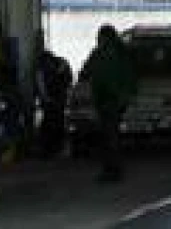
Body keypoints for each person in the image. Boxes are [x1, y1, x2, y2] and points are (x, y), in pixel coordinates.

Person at [80, 25, 136, 182]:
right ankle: (112, 168)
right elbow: (130, 76)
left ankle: (112, 169)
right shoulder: (120, 53)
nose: (98, 39)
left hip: (109, 99)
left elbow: (87, 71)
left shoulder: (104, 54)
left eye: (100, 37)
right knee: (110, 135)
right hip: (111, 99)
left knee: (109, 136)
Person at [35, 44, 72, 159]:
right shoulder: (62, 63)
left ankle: (48, 149)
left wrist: (45, 99)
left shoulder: (42, 67)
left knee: (49, 123)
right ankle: (56, 148)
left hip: (52, 99)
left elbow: (41, 85)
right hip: (59, 98)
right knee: (58, 122)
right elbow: (68, 81)